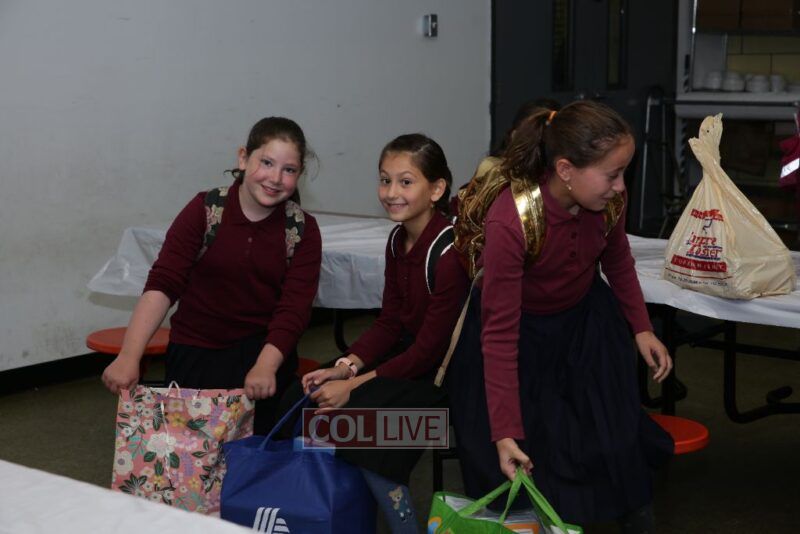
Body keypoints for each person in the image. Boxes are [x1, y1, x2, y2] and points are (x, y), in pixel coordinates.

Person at [448, 100, 674, 533]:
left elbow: (618, 260)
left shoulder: (608, 201)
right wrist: (504, 433)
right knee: (538, 445)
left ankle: (632, 511)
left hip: (584, 323)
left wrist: (641, 328)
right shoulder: (512, 221)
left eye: (624, 173)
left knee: (609, 429)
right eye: (612, 174)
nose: (620, 186)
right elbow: (499, 335)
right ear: (566, 170)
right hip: (519, 335)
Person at [102, 117, 322, 435]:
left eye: (289, 170)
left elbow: (294, 309)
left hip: (264, 357)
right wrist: (129, 355)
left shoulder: (302, 230)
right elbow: (163, 284)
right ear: (243, 158)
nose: (275, 178)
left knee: (256, 457)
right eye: (267, 162)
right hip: (196, 355)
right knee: (190, 456)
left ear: (299, 175)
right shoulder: (205, 210)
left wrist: (266, 366)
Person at [299, 133, 470, 533]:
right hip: (406, 361)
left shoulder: (450, 254)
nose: (391, 193)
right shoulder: (397, 240)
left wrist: (353, 386)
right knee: (304, 399)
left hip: (445, 377)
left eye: (405, 182)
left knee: (365, 431)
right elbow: (390, 322)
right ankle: (342, 519)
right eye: (385, 180)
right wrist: (344, 367)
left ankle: (403, 526)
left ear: (437, 189)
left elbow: (429, 351)